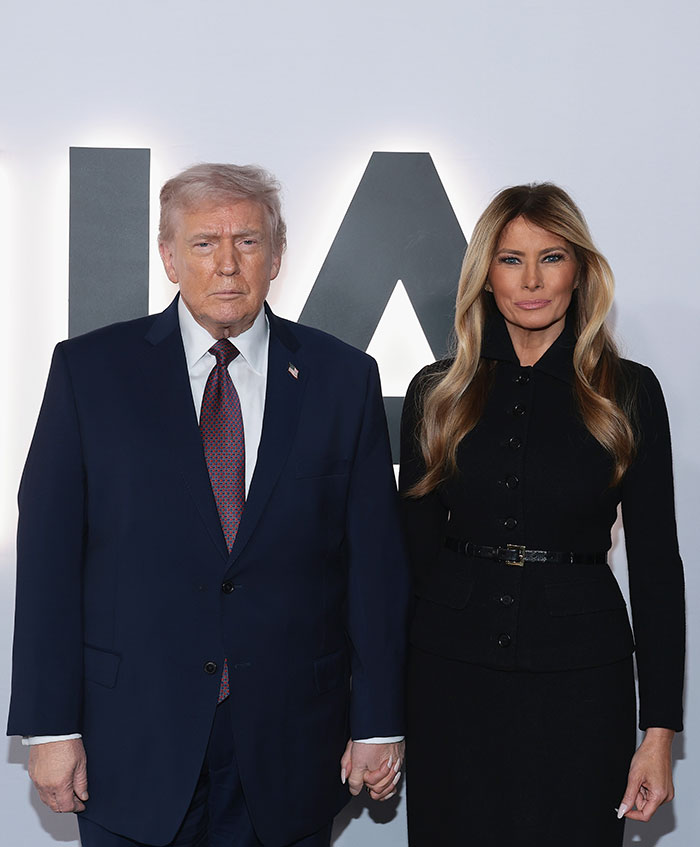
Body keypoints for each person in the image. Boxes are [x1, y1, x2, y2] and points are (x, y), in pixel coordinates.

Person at [8, 163, 409, 847]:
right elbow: (49, 558)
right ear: (168, 256)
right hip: (129, 742)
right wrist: (50, 725)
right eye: (203, 243)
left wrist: (377, 720)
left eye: (247, 241)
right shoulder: (90, 372)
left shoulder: (343, 378)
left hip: (290, 743)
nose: (227, 263)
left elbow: (373, 563)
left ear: (276, 256)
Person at [399, 183, 685, 846]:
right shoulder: (436, 392)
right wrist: (382, 713)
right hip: (450, 683)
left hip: (582, 689)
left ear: (579, 269)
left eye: (551, 258)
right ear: (485, 274)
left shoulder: (627, 391)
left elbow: (656, 566)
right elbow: (407, 561)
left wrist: (659, 731)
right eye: (510, 259)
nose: (531, 280)